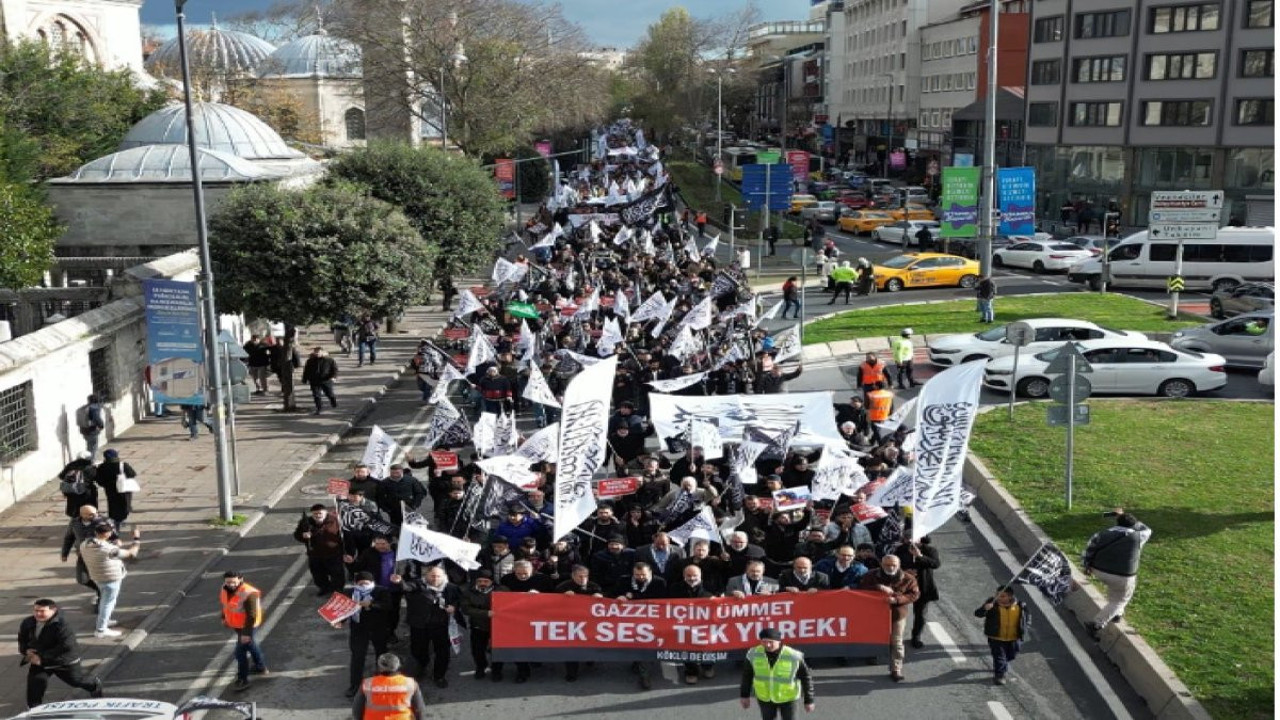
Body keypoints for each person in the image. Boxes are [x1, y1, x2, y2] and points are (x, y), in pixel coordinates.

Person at [18, 599, 104, 708]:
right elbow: (22, 639)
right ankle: (34, 709)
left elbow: (66, 646)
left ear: (53, 610)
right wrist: (25, 650)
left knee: (76, 681)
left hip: (63, 661)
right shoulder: (28, 622)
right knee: (35, 685)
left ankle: (94, 685)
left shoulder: (62, 625)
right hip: (40, 661)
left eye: (42, 611)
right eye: (36, 610)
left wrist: (42, 657)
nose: (38, 614)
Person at [1081, 508, 1152, 638]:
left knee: (1115, 592)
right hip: (1122, 576)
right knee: (1121, 600)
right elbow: (1147, 529)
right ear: (1133, 525)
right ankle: (1096, 624)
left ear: (1117, 522)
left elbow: (1089, 549)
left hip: (1099, 570)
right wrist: (1125, 516)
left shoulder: (1101, 534)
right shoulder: (1138, 536)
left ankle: (1117, 614)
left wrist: (1086, 566)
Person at [395, 564, 460, 688]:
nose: (435, 579)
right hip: (420, 625)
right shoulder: (418, 584)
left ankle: (439, 676)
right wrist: (400, 582)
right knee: (419, 650)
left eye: (438, 576)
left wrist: (454, 607)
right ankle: (420, 669)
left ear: (444, 576)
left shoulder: (451, 588)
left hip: (441, 625)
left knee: (442, 652)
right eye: (432, 576)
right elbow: (407, 587)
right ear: (426, 576)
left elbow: (458, 600)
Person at [858, 554, 919, 682]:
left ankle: (896, 668)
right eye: (887, 565)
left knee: (896, 641)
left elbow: (914, 595)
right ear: (881, 564)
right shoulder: (871, 575)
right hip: (875, 613)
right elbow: (861, 589)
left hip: (897, 614)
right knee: (874, 636)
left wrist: (897, 599)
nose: (891, 567)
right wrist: (878, 587)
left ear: (899, 565)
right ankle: (872, 655)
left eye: (894, 565)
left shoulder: (908, 578)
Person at [334, 572, 392, 698]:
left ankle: (384, 682)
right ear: (355, 584)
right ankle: (355, 685)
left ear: (372, 582)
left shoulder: (381, 591)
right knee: (357, 657)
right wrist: (340, 621)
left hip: (378, 628)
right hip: (358, 629)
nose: (363, 586)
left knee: (381, 655)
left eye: (366, 583)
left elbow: (387, 606)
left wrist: (371, 604)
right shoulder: (349, 593)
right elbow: (345, 610)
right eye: (360, 584)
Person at [738, 628, 815, 720]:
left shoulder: (793, 656)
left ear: (779, 641)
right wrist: (744, 695)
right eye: (764, 642)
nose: (767, 645)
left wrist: (809, 700)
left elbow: (806, 678)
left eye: (771, 642)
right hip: (765, 698)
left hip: (788, 699)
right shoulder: (753, 654)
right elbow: (747, 676)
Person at [80, 520, 141, 638]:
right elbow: (131, 553)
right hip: (111, 578)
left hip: (97, 576)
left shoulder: (85, 544)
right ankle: (101, 629)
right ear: (108, 533)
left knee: (104, 600)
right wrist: (136, 539)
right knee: (107, 603)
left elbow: (103, 549)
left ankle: (105, 621)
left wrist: (114, 546)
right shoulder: (109, 549)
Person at [220, 570, 268, 691]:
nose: (231, 585)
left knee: (239, 653)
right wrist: (224, 617)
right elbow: (226, 605)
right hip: (237, 625)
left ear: (241, 579)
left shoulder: (248, 593)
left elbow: (251, 615)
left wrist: (246, 634)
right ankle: (260, 667)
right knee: (251, 645)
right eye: (228, 582)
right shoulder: (224, 588)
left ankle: (243, 679)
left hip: (247, 626)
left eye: (233, 582)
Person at [974, 587, 1030, 686]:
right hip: (996, 638)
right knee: (999, 657)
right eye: (997, 595)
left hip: (1014, 638)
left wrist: (1026, 626)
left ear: (1010, 597)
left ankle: (1002, 666)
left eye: (1002, 596)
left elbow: (1027, 616)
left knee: (1011, 655)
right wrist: (985, 609)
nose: (998, 597)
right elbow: (978, 614)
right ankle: (999, 676)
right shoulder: (992, 604)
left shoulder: (1020, 605)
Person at [894, 535, 941, 648]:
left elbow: (935, 564)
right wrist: (905, 571)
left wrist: (919, 556)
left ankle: (916, 636)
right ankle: (895, 636)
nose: (910, 540)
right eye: (908, 538)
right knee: (898, 611)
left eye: (913, 538)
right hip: (904, 586)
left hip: (922, 585)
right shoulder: (901, 549)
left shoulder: (930, 550)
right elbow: (894, 564)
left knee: (920, 614)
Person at [352, 652, 428, 720]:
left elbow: (357, 710)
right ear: (398, 666)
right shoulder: (410, 683)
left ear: (379, 667)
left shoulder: (367, 684)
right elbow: (419, 710)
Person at [294, 504, 346, 596]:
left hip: (334, 553)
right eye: (315, 513)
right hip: (315, 554)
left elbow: (344, 535)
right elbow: (297, 535)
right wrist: (303, 536)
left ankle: (338, 590)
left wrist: (345, 551)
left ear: (325, 512)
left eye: (320, 513)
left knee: (337, 573)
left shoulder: (336, 520)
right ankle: (324, 588)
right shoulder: (306, 522)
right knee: (318, 574)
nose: (318, 515)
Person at [61, 505, 107, 608]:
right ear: (82, 515)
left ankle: (101, 601)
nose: (95, 516)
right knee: (82, 579)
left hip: (98, 555)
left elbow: (112, 536)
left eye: (96, 513)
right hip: (82, 555)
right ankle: (100, 590)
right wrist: (64, 553)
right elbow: (69, 538)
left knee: (99, 577)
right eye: (91, 514)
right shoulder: (75, 523)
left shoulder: (102, 522)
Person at [460, 570, 496, 681]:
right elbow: (466, 609)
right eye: (479, 581)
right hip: (478, 625)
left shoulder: (501, 590)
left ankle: (497, 669)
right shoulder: (468, 592)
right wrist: (485, 613)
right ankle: (481, 667)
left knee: (497, 649)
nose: (482, 583)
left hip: (497, 626)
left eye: (486, 581)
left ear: (491, 582)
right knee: (477, 650)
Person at [57, 452, 98, 519]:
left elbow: (61, 476)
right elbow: (96, 477)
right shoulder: (89, 466)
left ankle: (75, 520)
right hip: (86, 491)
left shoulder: (70, 465)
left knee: (74, 510)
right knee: (88, 508)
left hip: (72, 491)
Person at [302, 347, 339, 415]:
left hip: (326, 380)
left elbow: (335, 369)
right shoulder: (310, 361)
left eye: (318, 352)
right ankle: (319, 408)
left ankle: (333, 401)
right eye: (315, 352)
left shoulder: (329, 360)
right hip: (314, 380)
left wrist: (333, 377)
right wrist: (304, 379)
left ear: (322, 352)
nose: (317, 353)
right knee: (316, 395)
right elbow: (306, 371)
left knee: (329, 393)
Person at [75, 394, 105, 460]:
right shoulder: (94, 408)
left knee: (89, 446)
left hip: (83, 430)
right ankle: (91, 461)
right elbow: (97, 419)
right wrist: (101, 426)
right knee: (93, 447)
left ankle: (88, 460)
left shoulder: (83, 408)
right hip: (92, 430)